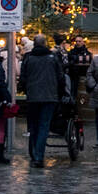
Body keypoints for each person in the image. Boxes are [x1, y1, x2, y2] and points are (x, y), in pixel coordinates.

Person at [19, 33, 66, 167]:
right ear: (45, 43)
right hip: (50, 96)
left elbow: (23, 78)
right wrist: (60, 92)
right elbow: (60, 77)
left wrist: (26, 90)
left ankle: (34, 154)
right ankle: (39, 156)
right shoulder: (53, 58)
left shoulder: (29, 58)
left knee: (33, 126)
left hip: (33, 97)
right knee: (44, 126)